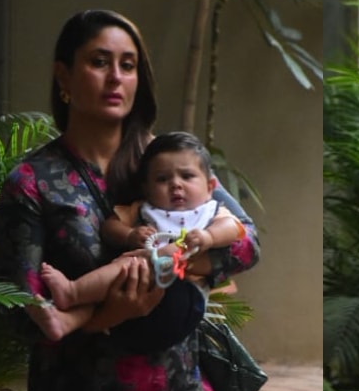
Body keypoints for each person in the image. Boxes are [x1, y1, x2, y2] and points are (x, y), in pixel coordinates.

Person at [0, 9, 260, 391]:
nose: (116, 77)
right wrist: (108, 313)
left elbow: (247, 241)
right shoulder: (34, 181)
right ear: (63, 77)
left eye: (128, 64)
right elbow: (14, 306)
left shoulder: (168, 161)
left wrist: (181, 265)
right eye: (99, 62)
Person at [34, 131, 243, 342]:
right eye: (162, 179)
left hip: (184, 295)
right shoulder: (143, 209)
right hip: (136, 289)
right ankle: (68, 319)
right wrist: (130, 234)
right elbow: (109, 226)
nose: (175, 184)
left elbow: (232, 227)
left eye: (187, 176)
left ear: (210, 187)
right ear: (147, 189)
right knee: (119, 275)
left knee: (157, 256)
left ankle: (73, 291)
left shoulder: (210, 210)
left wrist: (208, 237)